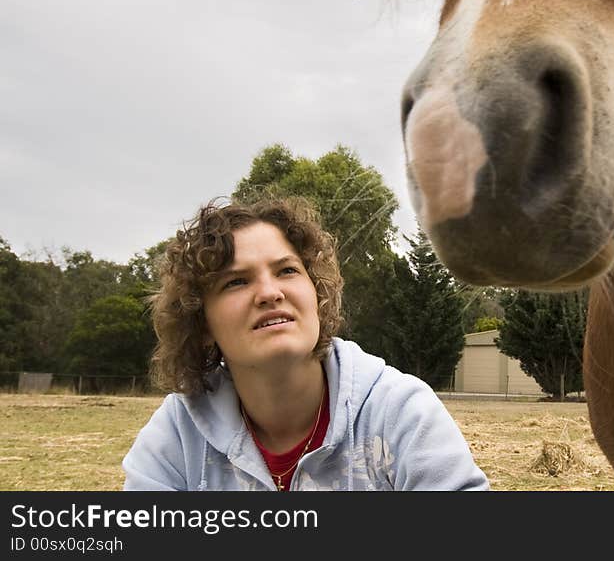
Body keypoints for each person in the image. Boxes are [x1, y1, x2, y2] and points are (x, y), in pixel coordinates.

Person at [123, 197, 489, 491]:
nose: (269, 292)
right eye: (236, 282)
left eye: (287, 270)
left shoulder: (400, 412)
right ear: (201, 323)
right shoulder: (178, 435)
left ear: (318, 296)